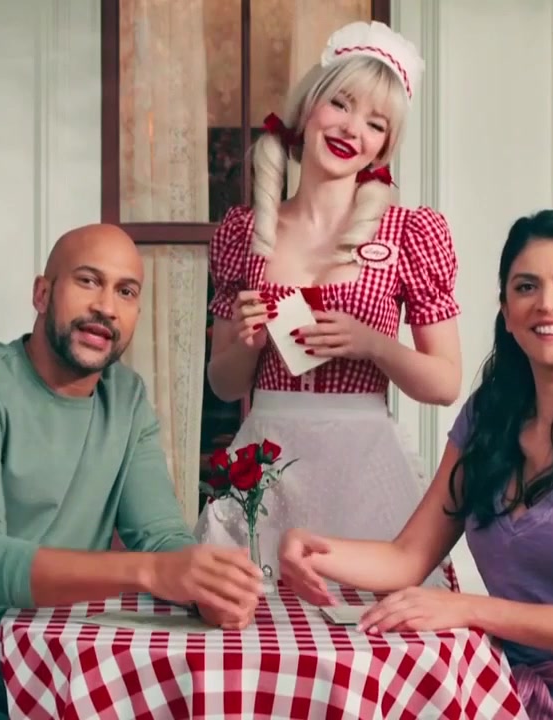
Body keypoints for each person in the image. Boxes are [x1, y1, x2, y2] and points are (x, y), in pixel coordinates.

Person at [276, 210, 553, 720]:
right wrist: (310, 550)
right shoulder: (489, 416)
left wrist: (468, 608)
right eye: (526, 287)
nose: (547, 303)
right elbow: (406, 557)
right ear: (506, 311)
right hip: (503, 692)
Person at [0, 224, 266, 720]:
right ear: (42, 294)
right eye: (88, 281)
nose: (107, 306)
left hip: (55, 677)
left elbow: (159, 535)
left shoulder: (126, 400)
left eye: (126, 292)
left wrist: (204, 585)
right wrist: (152, 572)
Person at [196, 20, 463, 589]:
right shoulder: (243, 230)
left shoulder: (410, 233)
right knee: (248, 613)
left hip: (365, 464)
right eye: (340, 104)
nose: (352, 129)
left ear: (385, 146)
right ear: (307, 109)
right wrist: (247, 342)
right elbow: (224, 383)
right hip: (268, 458)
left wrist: (374, 345)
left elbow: (445, 383)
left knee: (373, 620)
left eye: (376, 123)